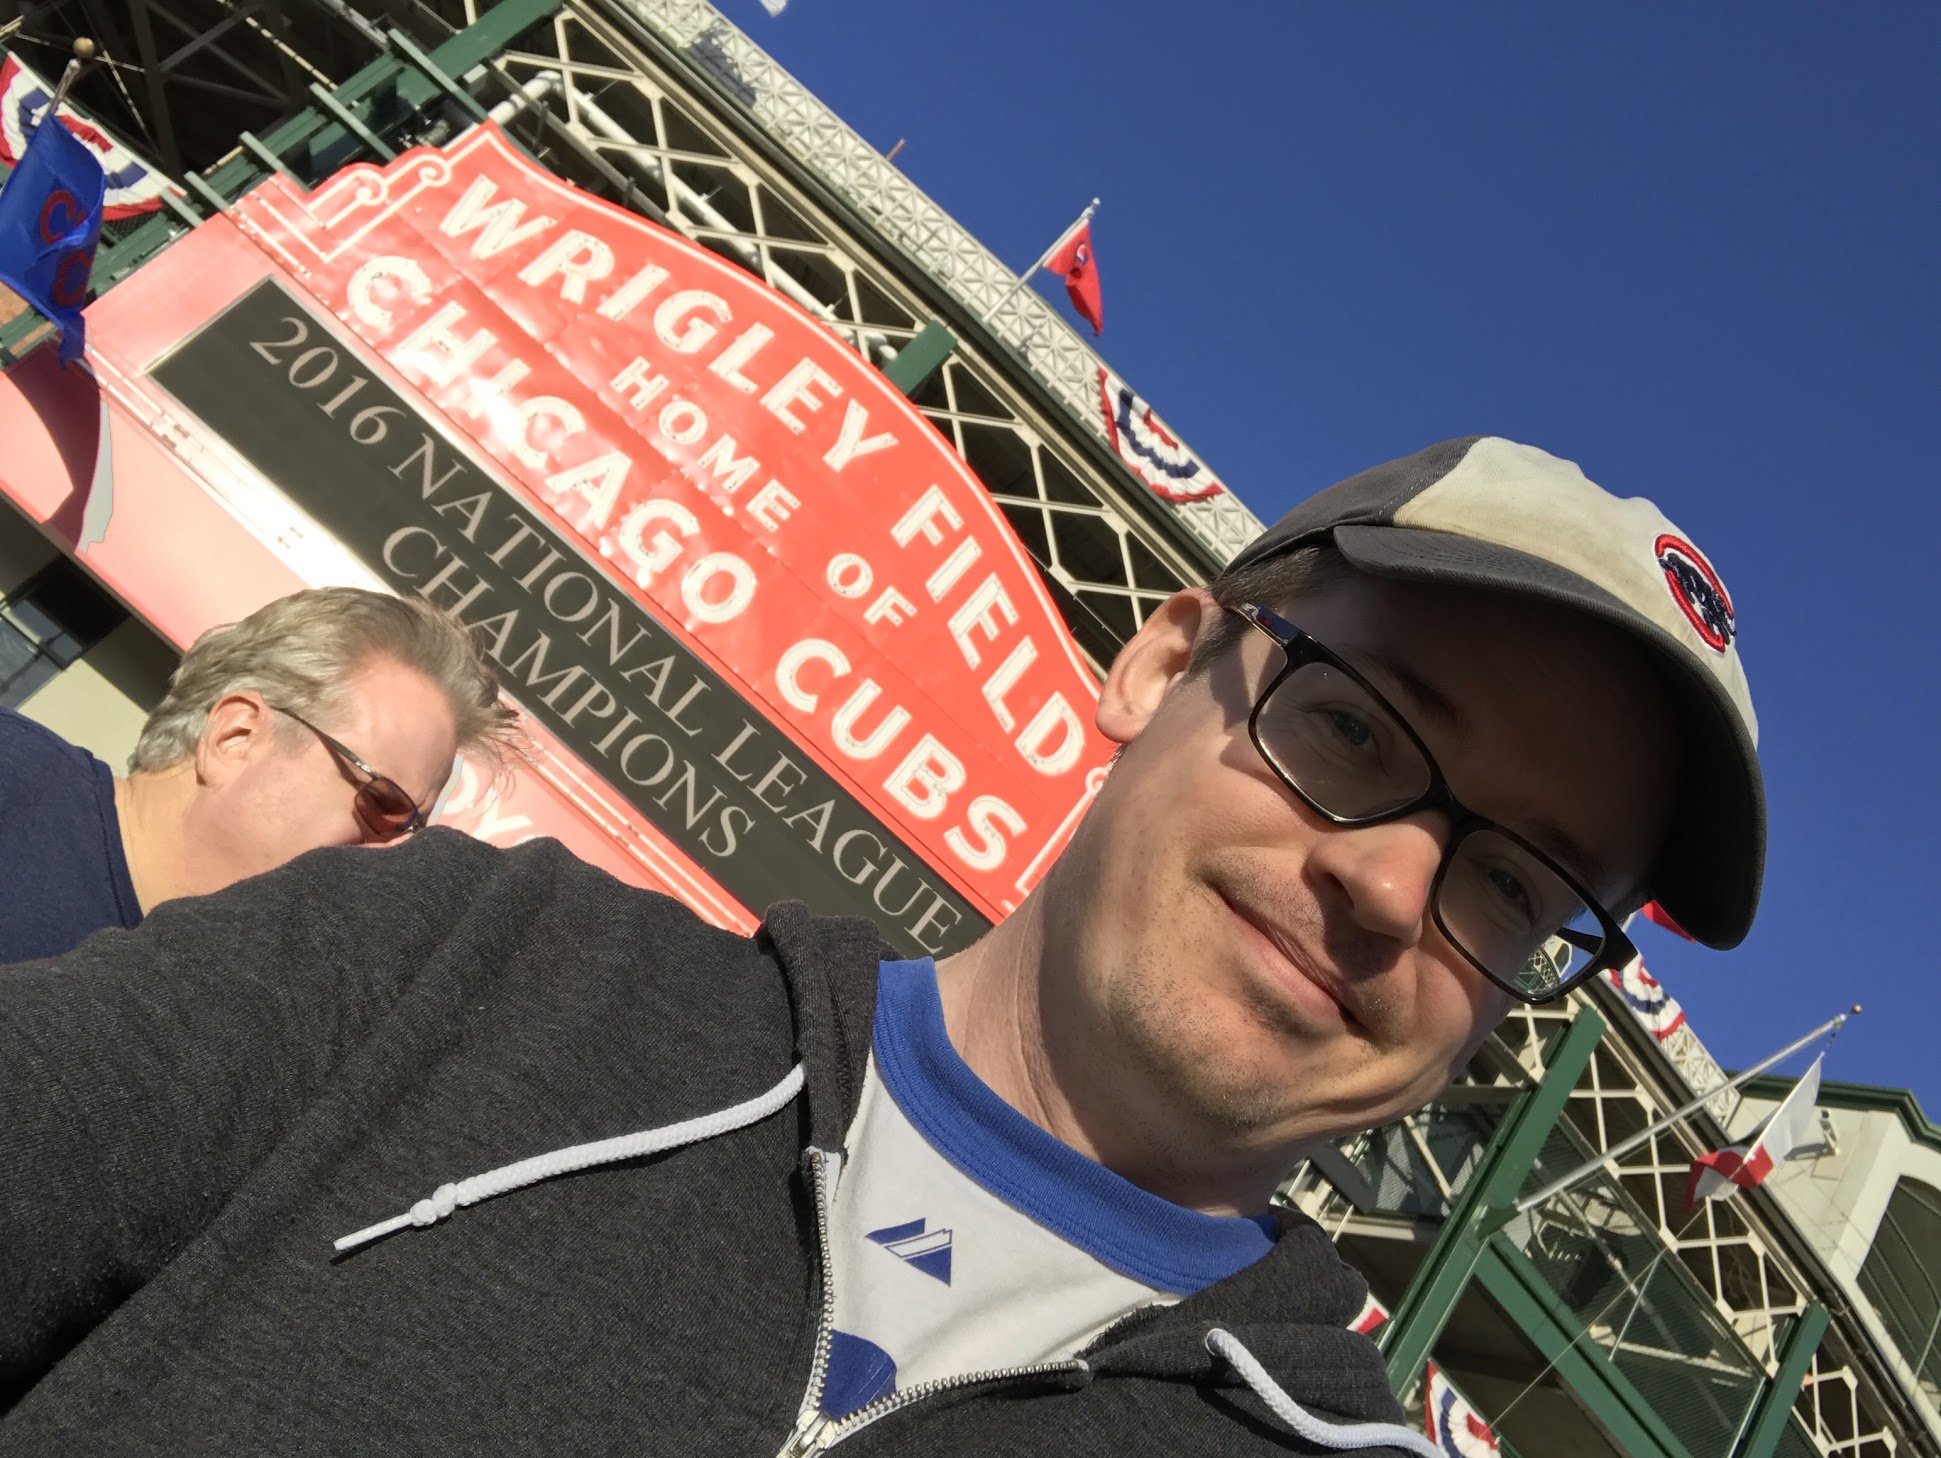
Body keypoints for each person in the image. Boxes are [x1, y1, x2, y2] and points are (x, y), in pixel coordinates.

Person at [0, 437, 1762, 1456]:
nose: (1386, 887)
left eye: (1517, 885)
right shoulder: (460, 963)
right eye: (1363, 732)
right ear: (1161, 663)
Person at [0, 585, 519, 963]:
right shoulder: (14, 780)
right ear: (235, 736)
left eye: (410, 831)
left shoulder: (212, 1025)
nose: (393, 854)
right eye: (383, 804)